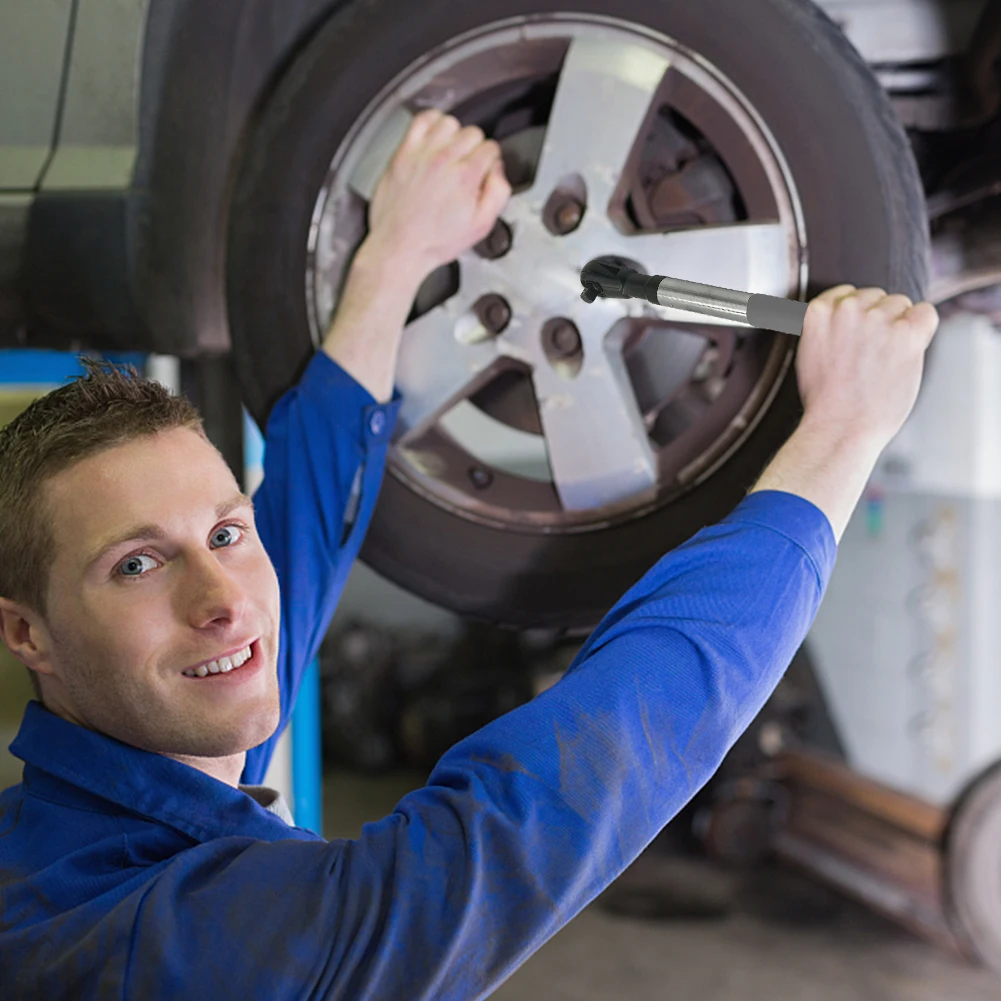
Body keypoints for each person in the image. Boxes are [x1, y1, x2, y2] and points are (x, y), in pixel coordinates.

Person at [0, 107, 939, 1000]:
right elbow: (556, 798)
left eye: (223, 532)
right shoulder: (149, 948)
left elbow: (298, 529)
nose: (224, 597)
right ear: (25, 632)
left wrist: (396, 256)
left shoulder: (146, 758)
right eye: (136, 564)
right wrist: (844, 431)